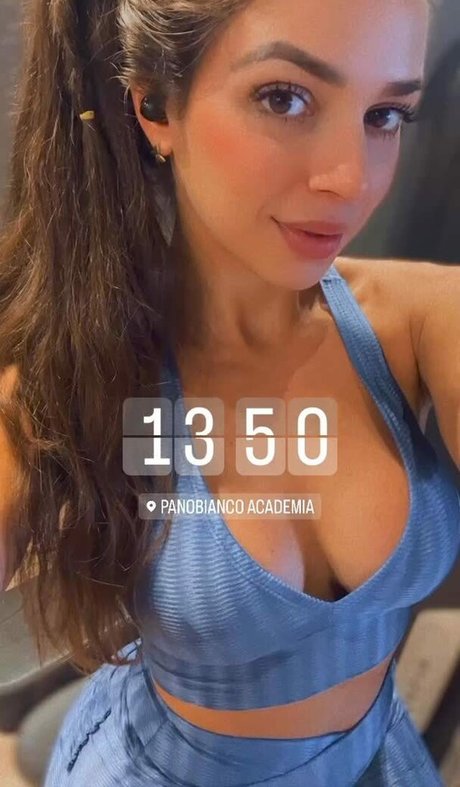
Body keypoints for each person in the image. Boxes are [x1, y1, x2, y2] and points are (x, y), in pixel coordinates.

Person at [0, 0, 459, 784]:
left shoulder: (417, 321)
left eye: (385, 115)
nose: (351, 179)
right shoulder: (77, 376)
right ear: (154, 107)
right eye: (284, 97)